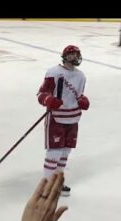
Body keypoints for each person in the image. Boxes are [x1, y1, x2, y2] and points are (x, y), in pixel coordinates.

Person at [36, 45, 90, 196]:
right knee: (54, 153)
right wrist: (48, 99)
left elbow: (79, 95)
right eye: (72, 55)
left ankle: (57, 183)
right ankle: (46, 186)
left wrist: (83, 100)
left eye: (77, 54)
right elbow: (41, 93)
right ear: (65, 56)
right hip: (56, 119)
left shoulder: (81, 76)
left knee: (65, 153)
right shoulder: (54, 73)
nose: (75, 57)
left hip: (73, 118)